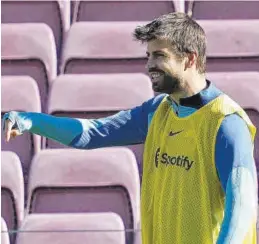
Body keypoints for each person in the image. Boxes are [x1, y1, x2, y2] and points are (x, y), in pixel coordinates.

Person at [2, 12, 258, 244]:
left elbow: (243, 208)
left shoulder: (226, 123)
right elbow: (90, 134)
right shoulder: (158, 111)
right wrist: (32, 121)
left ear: (190, 59)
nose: (149, 65)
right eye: (148, 56)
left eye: (160, 55)